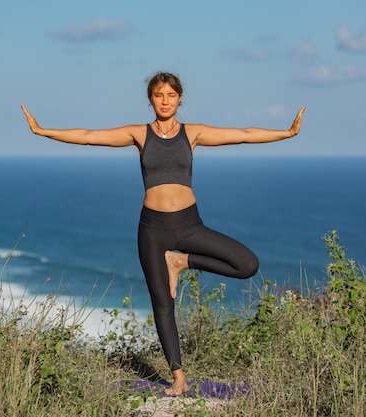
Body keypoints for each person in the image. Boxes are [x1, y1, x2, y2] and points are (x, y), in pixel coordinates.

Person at [21, 71, 306, 395]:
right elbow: (88, 135)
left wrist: (286, 133)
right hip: (153, 230)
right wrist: (43, 131)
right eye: (159, 95)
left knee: (247, 265)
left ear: (180, 98)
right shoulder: (139, 134)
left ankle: (182, 261)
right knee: (163, 305)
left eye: (171, 95)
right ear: (151, 99)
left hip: (189, 226)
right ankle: (179, 377)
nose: (166, 100)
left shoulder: (193, 133)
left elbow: (242, 134)